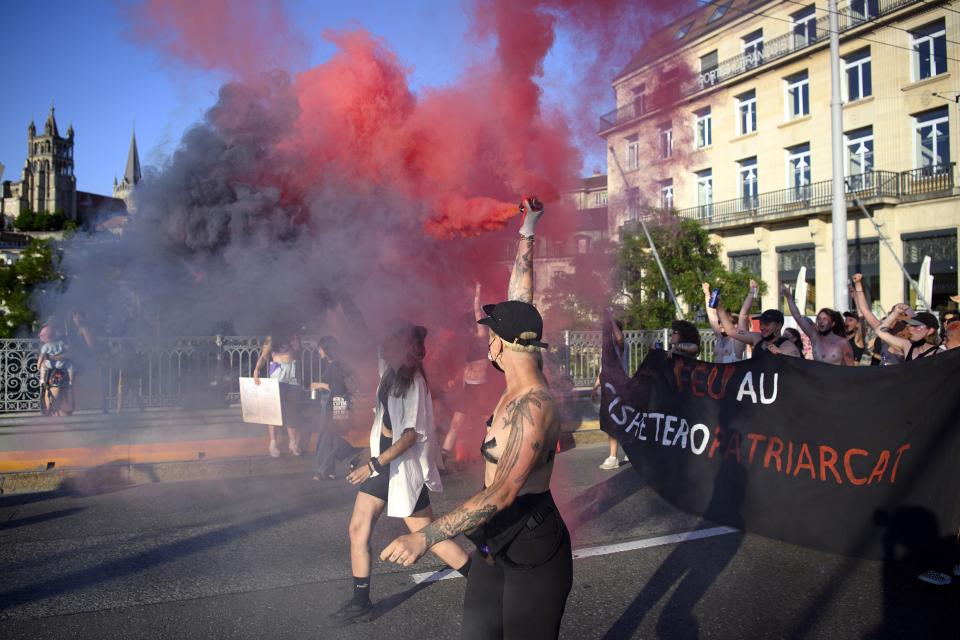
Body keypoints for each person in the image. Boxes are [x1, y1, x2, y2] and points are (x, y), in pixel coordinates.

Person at [380, 198, 572, 640]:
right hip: (492, 542)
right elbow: (521, 297)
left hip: (530, 542)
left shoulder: (534, 407)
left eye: (490, 336)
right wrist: (530, 228)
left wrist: (423, 537)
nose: (485, 343)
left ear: (501, 347)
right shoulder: (519, 352)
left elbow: (501, 494)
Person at [329, 323, 471, 625]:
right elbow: (386, 425)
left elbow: (410, 436)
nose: (382, 346)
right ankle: (361, 602)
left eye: (389, 342)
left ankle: (483, 578)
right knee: (358, 528)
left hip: (399, 468)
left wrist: (373, 464)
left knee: (428, 535)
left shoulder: (413, 382)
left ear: (401, 348)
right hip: (382, 467)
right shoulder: (390, 372)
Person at [440, 283, 496, 472]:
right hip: (468, 389)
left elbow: (477, 311)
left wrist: (478, 292)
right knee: (456, 424)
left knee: (489, 423)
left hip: (481, 389)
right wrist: (455, 380)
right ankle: (442, 458)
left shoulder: (482, 337)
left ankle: (495, 455)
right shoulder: (467, 344)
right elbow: (463, 368)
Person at [253, 330, 304, 457]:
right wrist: (256, 369)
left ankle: (293, 443)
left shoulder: (293, 335)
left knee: (292, 409)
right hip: (277, 374)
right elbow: (264, 356)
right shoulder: (272, 337)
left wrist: (296, 343)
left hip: (292, 374)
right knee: (274, 411)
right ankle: (273, 443)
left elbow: (298, 352)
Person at [781, 284, 855, 365]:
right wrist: (788, 297)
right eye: (819, 318)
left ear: (833, 323)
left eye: (825, 319)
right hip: (818, 377)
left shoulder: (842, 342)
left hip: (835, 377)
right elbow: (798, 317)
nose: (821, 321)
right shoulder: (815, 337)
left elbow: (851, 369)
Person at [592, 317, 629, 470]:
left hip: (620, 386)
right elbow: (602, 370)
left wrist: (611, 319)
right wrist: (595, 387)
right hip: (608, 387)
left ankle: (613, 457)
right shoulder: (606, 347)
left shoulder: (621, 344)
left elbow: (619, 338)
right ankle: (628, 451)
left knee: (614, 420)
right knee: (614, 420)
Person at [312, 336, 351, 481]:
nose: (319, 351)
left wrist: (319, 385)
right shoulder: (337, 364)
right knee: (333, 437)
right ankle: (330, 469)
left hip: (335, 404)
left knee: (326, 436)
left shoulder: (334, 366)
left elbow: (337, 388)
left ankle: (323, 470)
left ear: (327, 349)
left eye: (320, 348)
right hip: (341, 403)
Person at [717, 304, 801, 358]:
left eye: (767, 324)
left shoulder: (788, 346)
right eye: (761, 324)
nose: (762, 327)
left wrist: (780, 353)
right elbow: (730, 331)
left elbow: (797, 371)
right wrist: (719, 307)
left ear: (778, 325)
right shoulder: (757, 338)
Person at [873, 303, 940, 361]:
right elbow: (880, 331)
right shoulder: (908, 345)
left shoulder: (940, 354)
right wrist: (895, 313)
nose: (910, 328)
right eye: (910, 325)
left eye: (915, 325)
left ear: (930, 330)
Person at [37, 319, 74, 416]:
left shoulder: (63, 340)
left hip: (57, 368)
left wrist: (51, 358)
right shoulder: (56, 340)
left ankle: (52, 409)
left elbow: (69, 355)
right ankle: (50, 409)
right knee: (52, 386)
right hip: (55, 368)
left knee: (56, 386)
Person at [701, 283, 744, 363]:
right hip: (717, 374)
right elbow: (712, 314)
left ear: (735, 325)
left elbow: (744, 317)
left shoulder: (738, 340)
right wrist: (707, 294)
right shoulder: (719, 337)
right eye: (720, 322)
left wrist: (752, 293)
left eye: (725, 322)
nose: (721, 325)